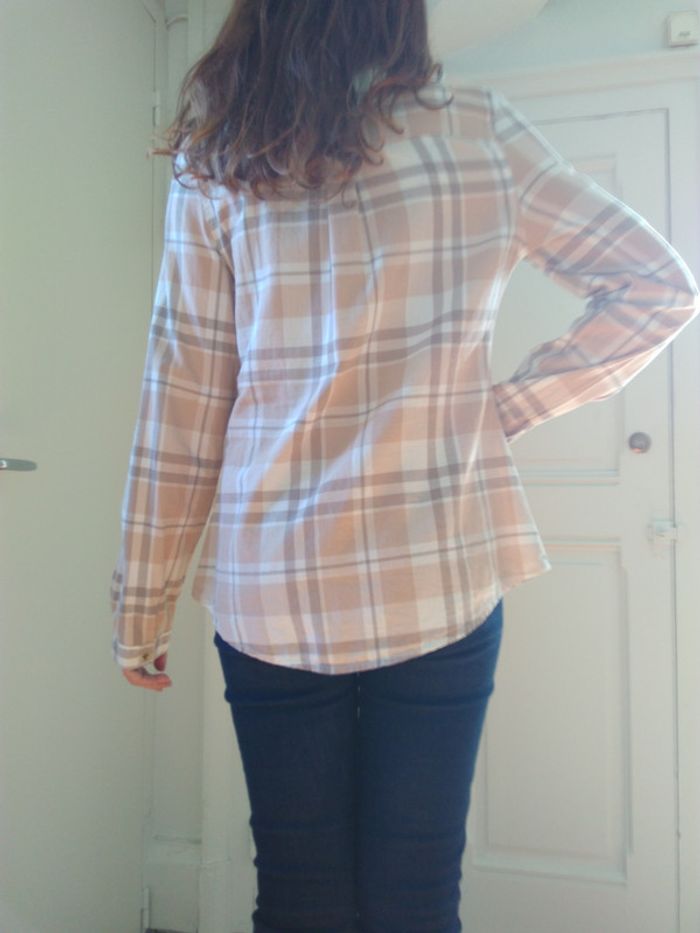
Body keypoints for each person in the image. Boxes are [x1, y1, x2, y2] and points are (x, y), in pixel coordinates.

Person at [109, 2, 700, 930]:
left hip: (274, 590)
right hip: (438, 576)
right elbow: (659, 286)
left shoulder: (221, 159)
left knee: (298, 888)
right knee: (417, 892)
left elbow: (183, 396)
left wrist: (141, 603)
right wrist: (503, 411)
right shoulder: (480, 132)